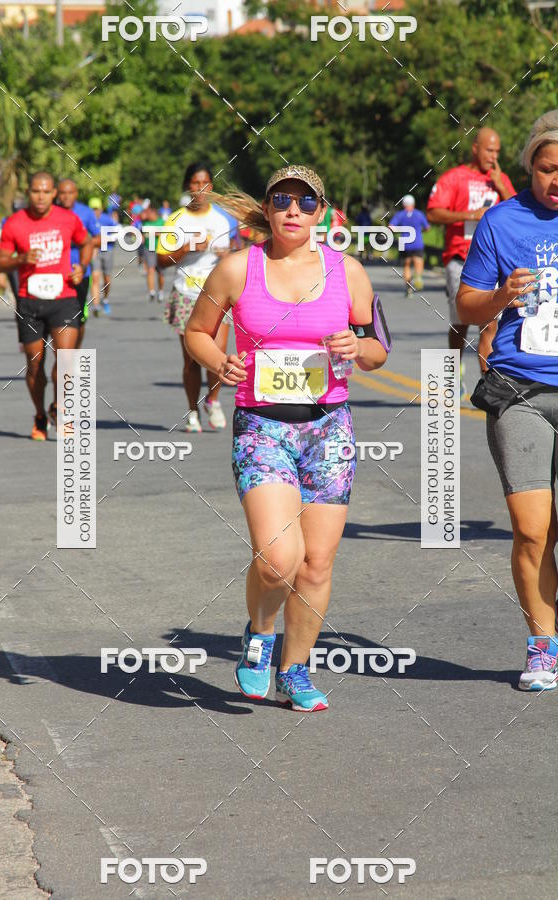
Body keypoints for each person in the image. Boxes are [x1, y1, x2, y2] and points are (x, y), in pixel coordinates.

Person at [185, 165, 389, 711]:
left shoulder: (348, 272)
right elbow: (197, 332)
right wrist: (219, 362)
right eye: (282, 201)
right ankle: (259, 635)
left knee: (316, 563)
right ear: (269, 210)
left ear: (321, 212)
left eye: (305, 201)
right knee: (279, 559)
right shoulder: (236, 269)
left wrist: (356, 348)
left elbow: (378, 349)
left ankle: (295, 668)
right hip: (263, 427)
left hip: (329, 429)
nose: (293, 210)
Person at [456, 110, 558, 691]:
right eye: (546, 169)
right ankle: (542, 643)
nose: (556, 180)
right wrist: (499, 296)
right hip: (520, 389)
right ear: (529, 167)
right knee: (531, 529)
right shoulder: (502, 222)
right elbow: (465, 307)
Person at [0, 171, 92, 439]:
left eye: (46, 191)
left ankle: (60, 407)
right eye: (36, 191)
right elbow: (0, 261)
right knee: (35, 365)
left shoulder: (68, 219)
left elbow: (86, 244)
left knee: (67, 358)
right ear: (28, 192)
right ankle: (40, 414)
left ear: (54, 194)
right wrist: (21, 258)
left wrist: (81, 268)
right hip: (30, 301)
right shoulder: (15, 223)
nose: (40, 196)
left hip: (64, 297)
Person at [427, 127, 516, 396]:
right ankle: (452, 374)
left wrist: (501, 186)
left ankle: (489, 385)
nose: (494, 156)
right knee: (461, 323)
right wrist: (469, 215)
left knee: (489, 322)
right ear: (475, 148)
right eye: (489, 150)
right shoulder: (454, 178)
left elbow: (521, 214)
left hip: (493, 263)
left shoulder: (500, 179)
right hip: (460, 259)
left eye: (498, 151)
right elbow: (433, 213)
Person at [157, 162, 231, 432]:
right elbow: (161, 261)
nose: (201, 189)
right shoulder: (176, 219)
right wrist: (186, 247)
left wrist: (228, 256)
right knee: (191, 359)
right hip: (186, 293)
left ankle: (212, 400)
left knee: (218, 355)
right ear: (188, 186)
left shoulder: (221, 219)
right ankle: (192, 411)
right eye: (195, 183)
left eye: (206, 184)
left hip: (217, 295)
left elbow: (232, 256)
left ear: (212, 187)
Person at [56, 179, 100, 347]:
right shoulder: (50, 212)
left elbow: (98, 238)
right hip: (55, 273)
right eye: (62, 193)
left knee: (78, 318)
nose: (66, 197)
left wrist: (79, 241)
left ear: (76, 194)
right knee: (57, 319)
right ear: (56, 194)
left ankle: (76, 351)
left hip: (80, 272)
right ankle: (63, 358)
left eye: (70, 193)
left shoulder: (85, 212)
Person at [390, 194, 430, 295]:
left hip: (405, 244)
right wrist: (421, 230)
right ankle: (418, 277)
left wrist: (400, 231)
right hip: (417, 243)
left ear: (404, 204)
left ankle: (408, 287)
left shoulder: (400, 215)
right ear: (413, 203)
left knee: (407, 265)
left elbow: (390, 227)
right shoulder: (419, 214)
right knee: (418, 261)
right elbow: (427, 227)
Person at [89, 197, 115, 316]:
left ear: (101, 209)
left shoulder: (107, 220)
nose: (95, 211)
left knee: (106, 279)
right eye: (92, 209)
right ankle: (96, 305)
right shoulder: (87, 220)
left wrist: (103, 239)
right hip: (95, 252)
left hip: (107, 250)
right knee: (95, 277)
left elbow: (116, 234)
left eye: (96, 209)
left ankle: (105, 299)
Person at [141, 206, 166, 302]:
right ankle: (151, 291)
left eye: (148, 214)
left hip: (160, 249)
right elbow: (143, 235)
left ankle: (160, 291)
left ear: (154, 213)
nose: (147, 215)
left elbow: (167, 234)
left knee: (160, 273)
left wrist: (156, 233)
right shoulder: (146, 223)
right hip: (149, 249)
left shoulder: (162, 222)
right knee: (150, 270)